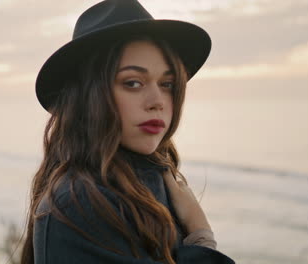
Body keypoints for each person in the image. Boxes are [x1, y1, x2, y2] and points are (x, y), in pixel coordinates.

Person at [20, 0, 236, 263]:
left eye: (167, 83)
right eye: (133, 83)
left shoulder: (151, 181)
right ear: (89, 97)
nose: (157, 100)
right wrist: (201, 237)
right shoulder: (78, 204)